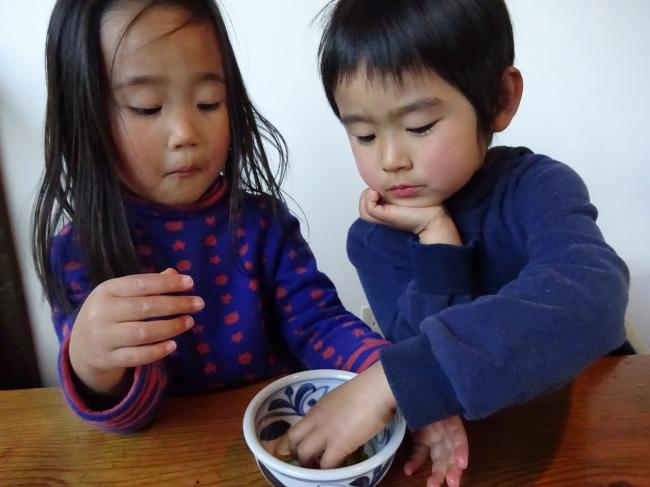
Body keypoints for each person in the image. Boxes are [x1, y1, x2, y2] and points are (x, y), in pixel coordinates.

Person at [287, 0, 630, 485]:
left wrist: (392, 378)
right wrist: (437, 242)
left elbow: (593, 300)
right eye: (363, 135)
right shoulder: (372, 240)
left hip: (596, 426)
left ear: (498, 100)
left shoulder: (538, 186)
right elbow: (414, 349)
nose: (390, 158)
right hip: (488, 452)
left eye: (419, 127)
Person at [31, 0, 389, 434]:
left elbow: (318, 325)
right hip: (165, 456)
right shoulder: (79, 252)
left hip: (275, 437)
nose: (185, 133)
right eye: (147, 107)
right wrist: (91, 363)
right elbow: (130, 419)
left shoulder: (264, 224)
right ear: (84, 117)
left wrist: (391, 377)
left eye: (208, 102)